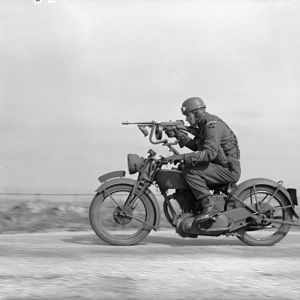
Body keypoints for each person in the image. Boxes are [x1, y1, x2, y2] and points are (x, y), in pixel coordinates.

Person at [165, 97, 241, 223]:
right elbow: (197, 146)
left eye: (188, 116)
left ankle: (209, 207)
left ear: (196, 113)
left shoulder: (212, 126)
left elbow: (209, 154)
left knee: (190, 171)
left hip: (227, 170)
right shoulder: (204, 126)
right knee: (182, 168)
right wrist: (179, 134)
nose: (186, 119)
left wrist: (182, 157)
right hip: (219, 166)